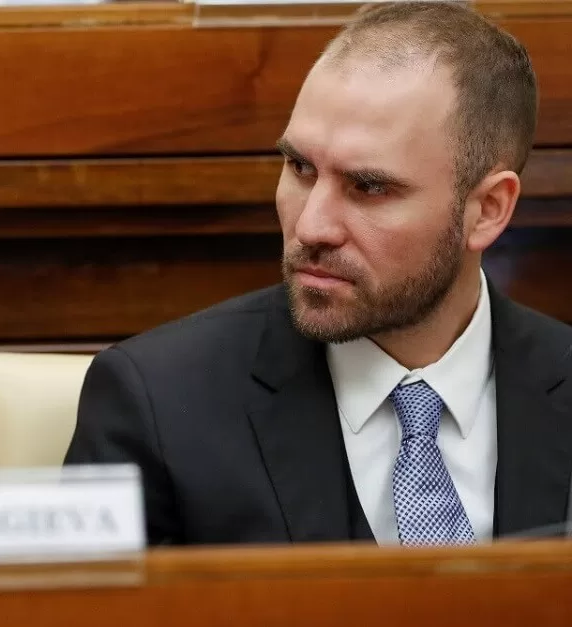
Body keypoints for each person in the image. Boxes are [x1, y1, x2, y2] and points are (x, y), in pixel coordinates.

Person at [65, 2, 572, 547]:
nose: (311, 226)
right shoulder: (158, 402)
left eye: (369, 187)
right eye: (300, 169)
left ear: (489, 209)